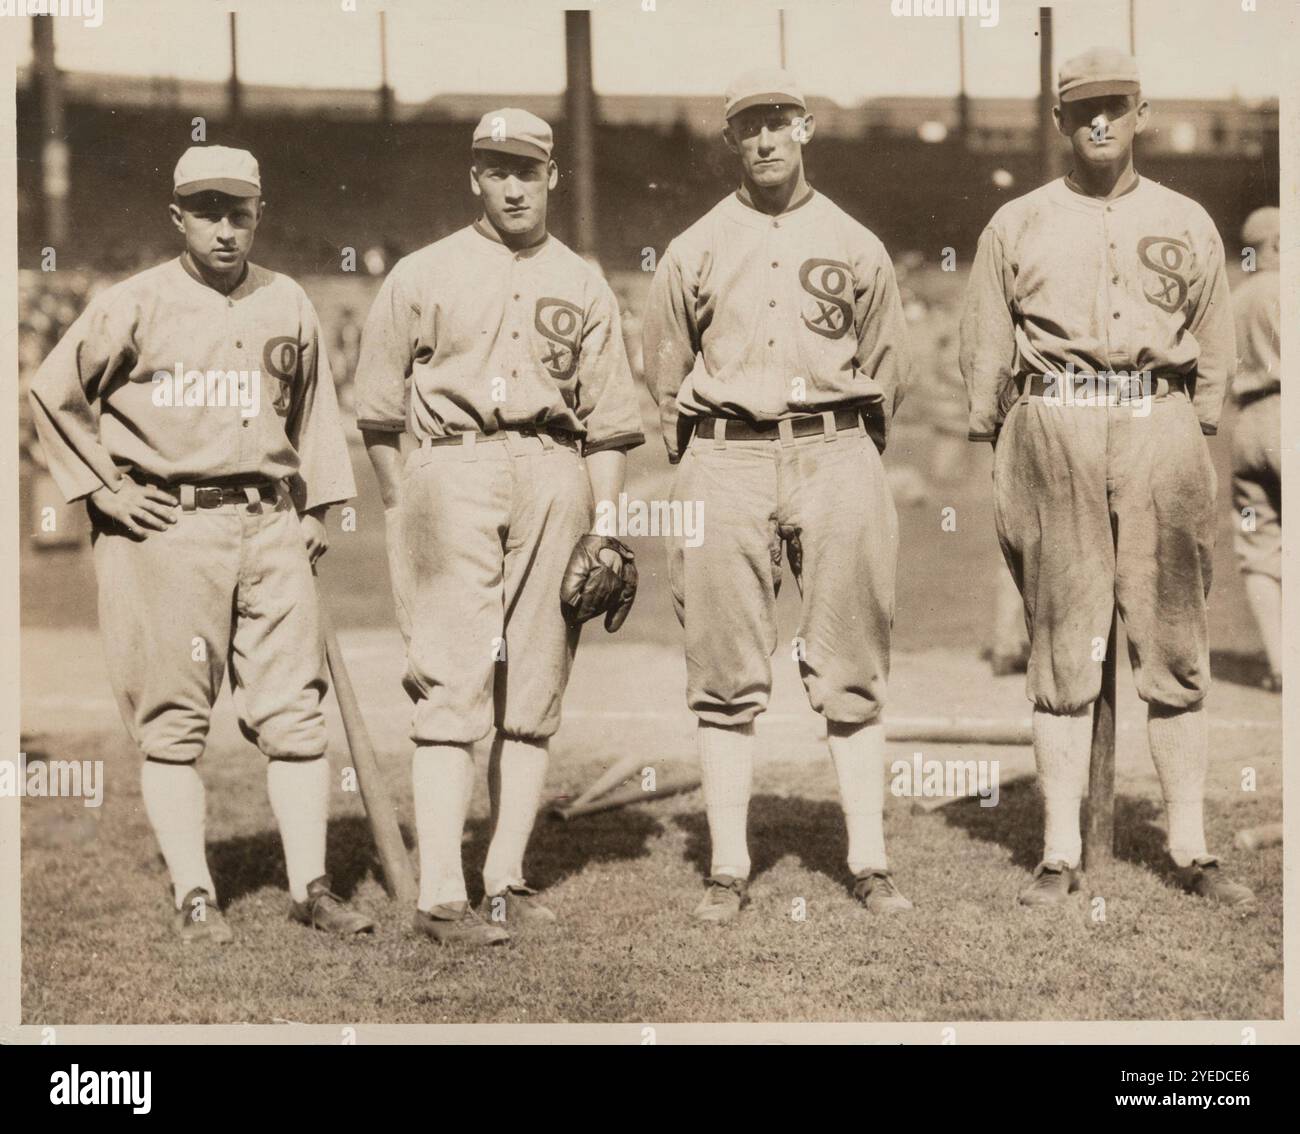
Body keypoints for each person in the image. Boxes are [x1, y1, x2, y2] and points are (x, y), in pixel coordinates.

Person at [28, 145, 374, 942]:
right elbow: (53, 393)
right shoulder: (135, 302)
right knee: (174, 721)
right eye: (207, 211)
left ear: (260, 214)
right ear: (177, 216)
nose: (224, 228)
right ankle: (194, 894)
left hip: (269, 521)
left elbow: (316, 411)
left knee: (295, 715)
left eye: (238, 211)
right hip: (169, 527)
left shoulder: (287, 299)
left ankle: (310, 886)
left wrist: (318, 506)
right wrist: (107, 490)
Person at [959, 48, 1254, 908]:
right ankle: (1057, 852)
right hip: (1054, 420)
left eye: (1115, 106)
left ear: (1140, 113)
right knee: (1061, 648)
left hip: (1158, 421)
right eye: (1082, 107)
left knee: (1173, 645)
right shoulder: (1017, 223)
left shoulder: (1187, 219)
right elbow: (985, 349)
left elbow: (1215, 345)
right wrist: (1005, 439)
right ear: (1059, 121)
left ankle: (1191, 848)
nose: (1099, 121)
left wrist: (1183, 428)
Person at [355, 109, 645, 947]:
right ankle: (441, 892)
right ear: (472, 176)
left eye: (527, 168)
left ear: (553, 175)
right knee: (451, 683)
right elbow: (377, 413)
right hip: (453, 465)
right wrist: (404, 498)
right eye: (495, 168)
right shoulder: (422, 271)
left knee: (535, 689)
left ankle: (504, 880)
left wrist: (608, 526)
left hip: (557, 470)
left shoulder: (584, 281)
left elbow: (612, 424)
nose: (512, 184)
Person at [642, 67, 913, 924]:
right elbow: (664, 375)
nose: (763, 138)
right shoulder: (693, 247)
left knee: (852, 664)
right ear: (731, 139)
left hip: (835, 449)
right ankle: (729, 865)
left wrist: (844, 451)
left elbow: (888, 372)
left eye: (778, 122)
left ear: (805, 128)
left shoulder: (857, 242)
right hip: (724, 453)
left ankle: (867, 861)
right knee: (724, 670)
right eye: (747, 126)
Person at [1229, 206, 1282, 693]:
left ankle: (1281, 663)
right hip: (1289, 411)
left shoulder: (1236, 296)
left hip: (1245, 423)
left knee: (1259, 546)